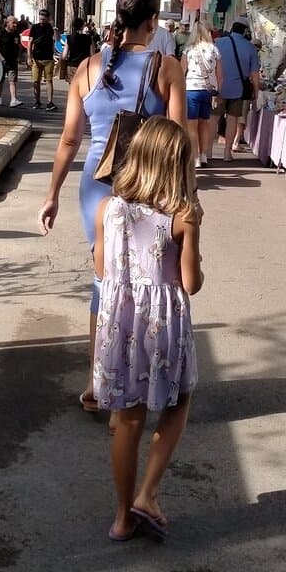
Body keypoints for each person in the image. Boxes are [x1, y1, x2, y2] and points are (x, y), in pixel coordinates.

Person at [38, 0, 188, 414]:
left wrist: (52, 194)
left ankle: (97, 379)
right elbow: (179, 140)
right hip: (150, 185)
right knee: (150, 280)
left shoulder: (87, 68)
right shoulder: (166, 68)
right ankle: (145, 375)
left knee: (105, 280)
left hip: (97, 186)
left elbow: (69, 139)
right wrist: (186, 198)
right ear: (153, 21)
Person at [92, 116, 202, 541]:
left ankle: (122, 517)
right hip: (162, 324)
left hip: (119, 324)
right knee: (179, 399)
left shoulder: (108, 209)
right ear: (179, 166)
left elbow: (101, 269)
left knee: (127, 418)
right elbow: (190, 283)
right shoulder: (182, 217)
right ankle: (148, 493)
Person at [214, 19, 261, 162]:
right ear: (245, 31)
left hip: (219, 88)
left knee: (213, 119)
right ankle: (227, 153)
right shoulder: (250, 48)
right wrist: (256, 91)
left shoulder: (218, 43)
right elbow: (254, 74)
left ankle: (207, 153)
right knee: (232, 120)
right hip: (238, 89)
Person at [181, 19, 221, 168]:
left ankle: (195, 157)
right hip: (208, 91)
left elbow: (182, 71)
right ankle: (204, 154)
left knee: (192, 125)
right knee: (204, 123)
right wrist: (218, 92)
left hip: (192, 89)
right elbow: (220, 74)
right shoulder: (214, 49)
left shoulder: (189, 50)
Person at [28, 8, 57, 111]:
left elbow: (55, 40)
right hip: (36, 58)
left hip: (48, 58)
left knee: (49, 80)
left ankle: (50, 102)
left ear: (48, 19)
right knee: (36, 81)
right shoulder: (34, 27)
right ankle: (37, 101)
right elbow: (30, 42)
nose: (42, 21)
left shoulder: (50, 28)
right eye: (40, 19)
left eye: (44, 19)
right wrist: (29, 57)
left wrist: (54, 54)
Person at [0, 14, 23, 107]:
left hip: (12, 61)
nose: (15, 25)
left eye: (16, 23)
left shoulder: (16, 33)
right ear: (7, 23)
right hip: (2, 61)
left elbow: (19, 45)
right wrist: (1, 58)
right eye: (13, 23)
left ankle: (13, 99)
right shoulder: (1, 33)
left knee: (12, 80)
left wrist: (19, 56)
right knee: (0, 80)